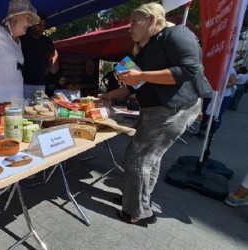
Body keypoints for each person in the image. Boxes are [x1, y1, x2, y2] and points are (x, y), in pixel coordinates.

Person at [101, 3, 208, 225]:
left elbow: (188, 70)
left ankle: (135, 211)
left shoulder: (177, 33)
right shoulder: (145, 48)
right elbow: (134, 83)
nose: (129, 27)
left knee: (138, 156)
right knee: (149, 156)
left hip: (174, 107)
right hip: (157, 108)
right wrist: (113, 93)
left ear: (151, 19)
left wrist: (141, 75)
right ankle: (137, 200)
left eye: (133, 21)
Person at [191, 67, 237, 139]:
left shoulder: (230, 68)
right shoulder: (213, 64)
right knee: (205, 114)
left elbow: (232, 83)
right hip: (209, 95)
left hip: (222, 97)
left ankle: (211, 134)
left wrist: (218, 84)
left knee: (216, 116)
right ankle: (201, 133)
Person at [20, 12, 56, 99]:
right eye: (39, 25)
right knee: (25, 110)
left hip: (41, 84)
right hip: (25, 83)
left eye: (44, 26)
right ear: (32, 24)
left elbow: (54, 54)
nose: (42, 28)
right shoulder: (23, 39)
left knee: (39, 109)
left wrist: (49, 68)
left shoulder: (47, 41)